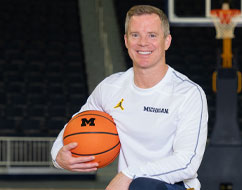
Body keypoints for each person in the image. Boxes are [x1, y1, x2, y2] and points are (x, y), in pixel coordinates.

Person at [51, 5, 208, 190]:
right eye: (135, 35)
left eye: (152, 35)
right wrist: (57, 156)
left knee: (143, 185)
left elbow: (187, 163)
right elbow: (76, 124)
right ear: (126, 41)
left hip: (175, 187)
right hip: (131, 186)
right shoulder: (111, 88)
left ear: (167, 41)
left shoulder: (188, 93)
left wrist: (128, 174)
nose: (143, 42)